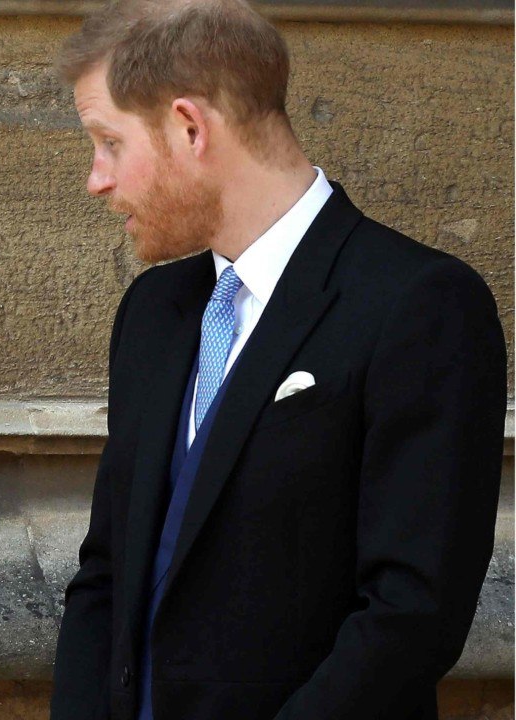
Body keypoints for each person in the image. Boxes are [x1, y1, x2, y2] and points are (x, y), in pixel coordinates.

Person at [49, 1, 506, 718]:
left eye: (109, 143)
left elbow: (411, 614)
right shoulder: (154, 313)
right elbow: (107, 571)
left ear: (189, 127)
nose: (96, 180)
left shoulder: (420, 306)